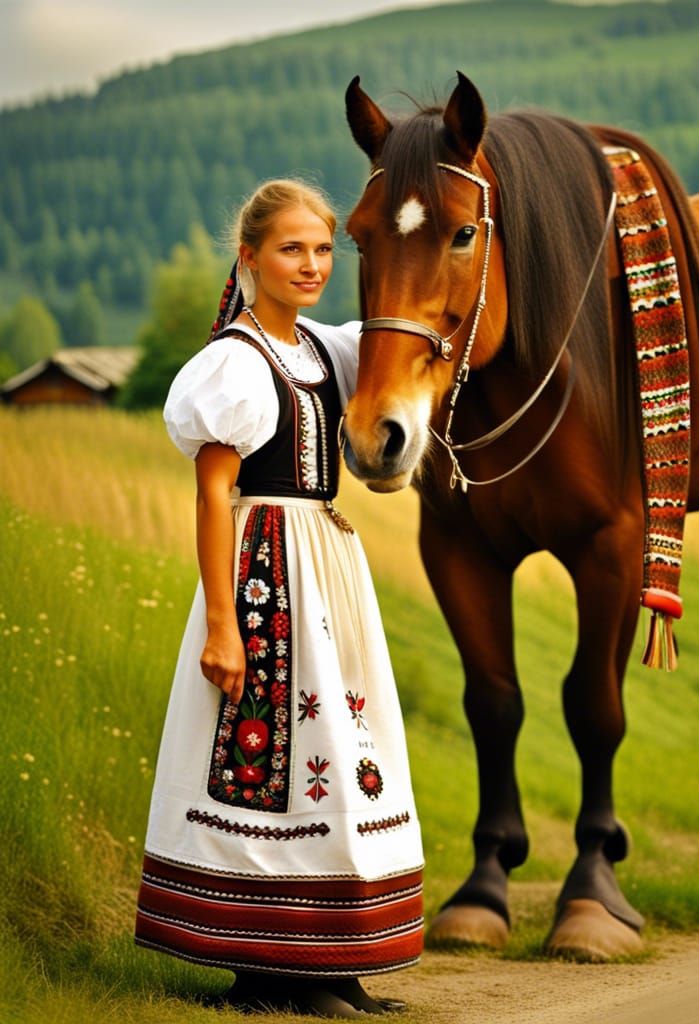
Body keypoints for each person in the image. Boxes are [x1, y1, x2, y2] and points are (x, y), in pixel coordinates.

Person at [134, 179, 423, 1018]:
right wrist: (223, 625)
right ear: (250, 257)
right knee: (270, 763)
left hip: (326, 566)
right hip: (264, 570)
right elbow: (210, 497)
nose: (311, 265)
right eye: (291, 248)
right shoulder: (235, 361)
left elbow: (411, 348)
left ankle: (333, 963)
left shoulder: (327, 350)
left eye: (324, 249)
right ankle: (267, 970)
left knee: (340, 745)